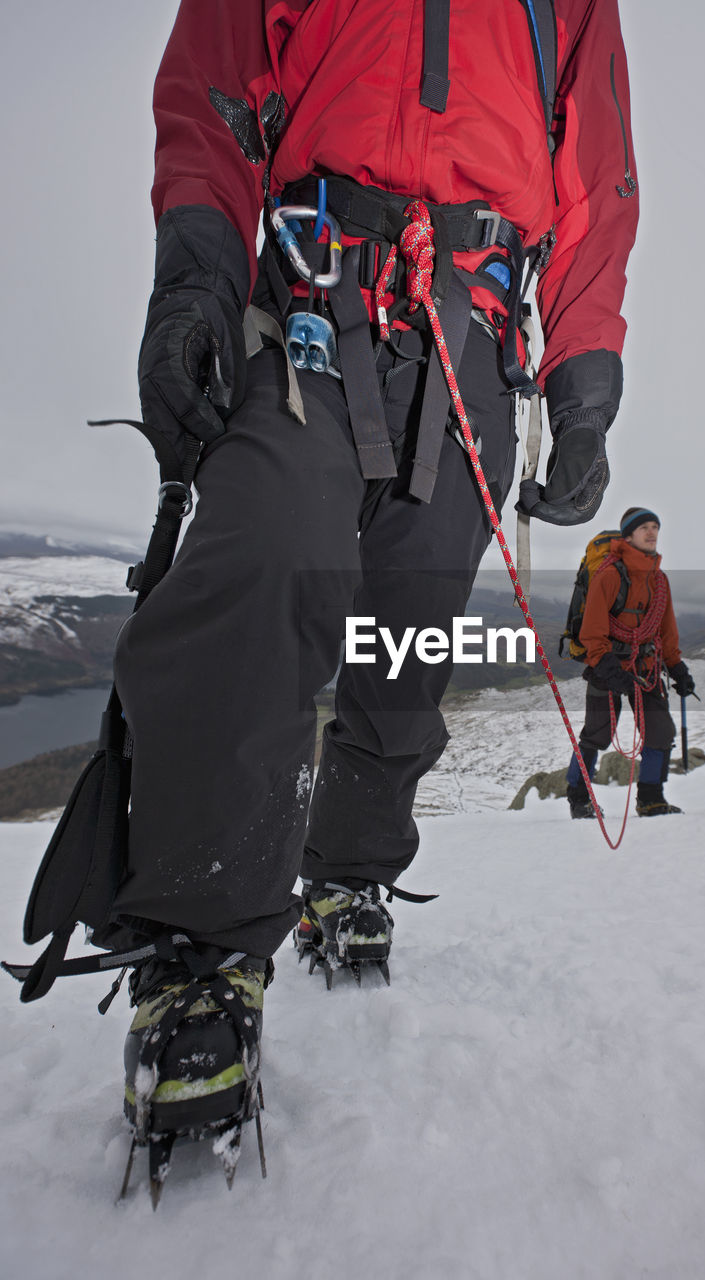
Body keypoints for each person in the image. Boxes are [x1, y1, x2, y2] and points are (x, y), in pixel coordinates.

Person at [48, 1, 642, 1186]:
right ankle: (203, 951)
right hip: (316, 293)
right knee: (262, 555)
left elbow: (597, 183)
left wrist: (582, 380)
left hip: (473, 323)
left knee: (405, 630)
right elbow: (213, 102)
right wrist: (196, 285)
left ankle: (348, 874)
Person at [566, 507, 696, 819]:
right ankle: (579, 798)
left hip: (645, 667)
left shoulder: (659, 580)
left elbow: (666, 631)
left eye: (655, 527)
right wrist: (610, 670)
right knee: (597, 733)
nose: (651, 533)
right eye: (644, 528)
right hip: (606, 666)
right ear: (628, 535)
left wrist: (677, 668)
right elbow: (592, 631)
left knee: (660, 732)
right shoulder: (609, 574)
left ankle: (651, 798)